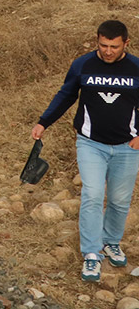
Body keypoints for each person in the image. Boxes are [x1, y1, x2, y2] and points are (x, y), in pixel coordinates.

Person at [32, 19, 139, 282]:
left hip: (127, 147)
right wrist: (43, 122)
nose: (108, 51)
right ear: (97, 41)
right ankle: (92, 253)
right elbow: (66, 95)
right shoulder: (83, 65)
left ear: (126, 43)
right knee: (92, 194)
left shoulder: (137, 68)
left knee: (118, 200)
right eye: (103, 45)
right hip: (91, 144)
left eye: (114, 46)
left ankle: (111, 241)